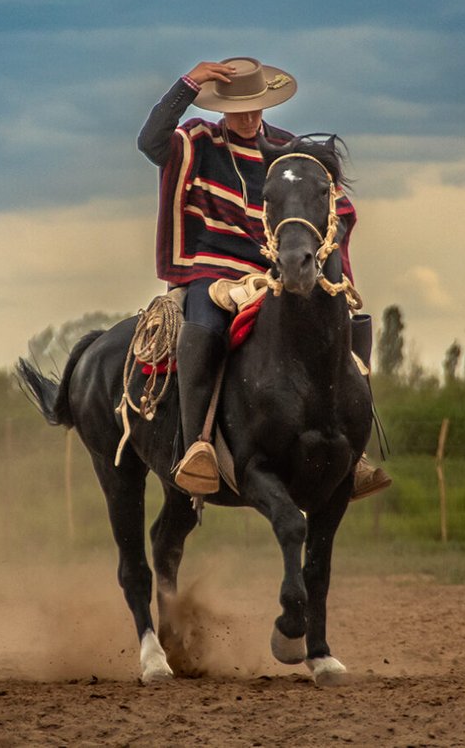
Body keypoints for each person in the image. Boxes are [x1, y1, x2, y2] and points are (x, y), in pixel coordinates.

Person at [138, 58, 390, 499]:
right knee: (204, 327)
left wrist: (327, 258)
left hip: (275, 269)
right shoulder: (197, 141)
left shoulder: (288, 153)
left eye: (257, 107)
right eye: (240, 108)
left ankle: (354, 452)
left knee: (347, 321)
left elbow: (336, 207)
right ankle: (199, 447)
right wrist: (187, 85)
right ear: (220, 107)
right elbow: (149, 142)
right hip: (211, 271)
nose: (250, 117)